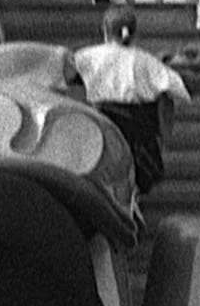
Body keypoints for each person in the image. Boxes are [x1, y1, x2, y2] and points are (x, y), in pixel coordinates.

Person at [71, 10, 189, 195]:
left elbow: (65, 76)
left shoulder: (85, 57)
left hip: (101, 123)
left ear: (105, 30)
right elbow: (176, 89)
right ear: (134, 33)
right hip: (137, 131)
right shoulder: (146, 60)